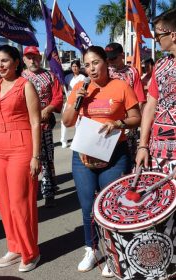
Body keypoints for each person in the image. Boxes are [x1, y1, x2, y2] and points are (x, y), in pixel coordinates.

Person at [62, 46, 141, 277]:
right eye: (87, 65)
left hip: (115, 155)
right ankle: (92, 249)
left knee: (111, 207)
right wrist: (77, 100)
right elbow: (66, 122)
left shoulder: (121, 86)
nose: (91, 68)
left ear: (106, 62)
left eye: (95, 63)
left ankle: (115, 253)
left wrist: (117, 124)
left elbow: (135, 117)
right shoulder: (80, 87)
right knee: (87, 207)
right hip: (83, 157)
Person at [0, 45, 41, 272]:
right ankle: (14, 247)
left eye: (5, 60)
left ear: (17, 62)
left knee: (20, 203)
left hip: (21, 148)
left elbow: (36, 122)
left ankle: (30, 252)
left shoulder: (25, 86)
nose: (0, 65)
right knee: (4, 203)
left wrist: (36, 156)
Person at [136, 8, 176, 176]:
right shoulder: (160, 64)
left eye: (159, 36)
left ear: (173, 35)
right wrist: (143, 145)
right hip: (156, 150)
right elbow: (150, 106)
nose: (156, 40)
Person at [22, 46, 63, 208]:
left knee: (46, 158)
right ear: (24, 59)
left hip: (44, 124)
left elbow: (58, 97)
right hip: (25, 125)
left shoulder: (50, 76)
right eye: (29, 57)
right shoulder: (20, 77)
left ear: (40, 58)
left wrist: (49, 109)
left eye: (35, 57)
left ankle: (48, 190)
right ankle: (30, 191)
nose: (33, 60)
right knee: (27, 158)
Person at [105, 42, 146, 166]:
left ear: (122, 55)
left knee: (126, 159)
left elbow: (140, 99)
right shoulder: (105, 72)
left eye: (113, 58)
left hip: (127, 123)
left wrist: (132, 121)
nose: (110, 61)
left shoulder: (132, 72)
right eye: (108, 58)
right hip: (108, 122)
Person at [61, 60, 86, 148]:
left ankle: (76, 139)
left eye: (76, 66)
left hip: (78, 102)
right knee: (64, 121)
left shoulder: (82, 77)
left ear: (79, 67)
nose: (74, 68)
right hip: (68, 101)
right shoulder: (68, 77)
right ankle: (63, 140)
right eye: (73, 66)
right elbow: (64, 88)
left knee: (77, 122)